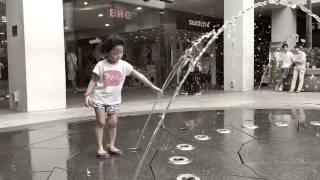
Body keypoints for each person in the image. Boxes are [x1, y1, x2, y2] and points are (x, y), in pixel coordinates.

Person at [84, 34, 163, 159]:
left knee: (113, 122)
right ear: (107, 52)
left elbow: (139, 76)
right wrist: (88, 94)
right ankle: (100, 148)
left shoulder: (124, 65)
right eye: (115, 53)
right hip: (99, 98)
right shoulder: (101, 65)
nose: (118, 55)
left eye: (121, 52)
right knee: (101, 122)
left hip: (113, 100)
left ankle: (111, 145)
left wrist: (152, 86)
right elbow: (93, 81)